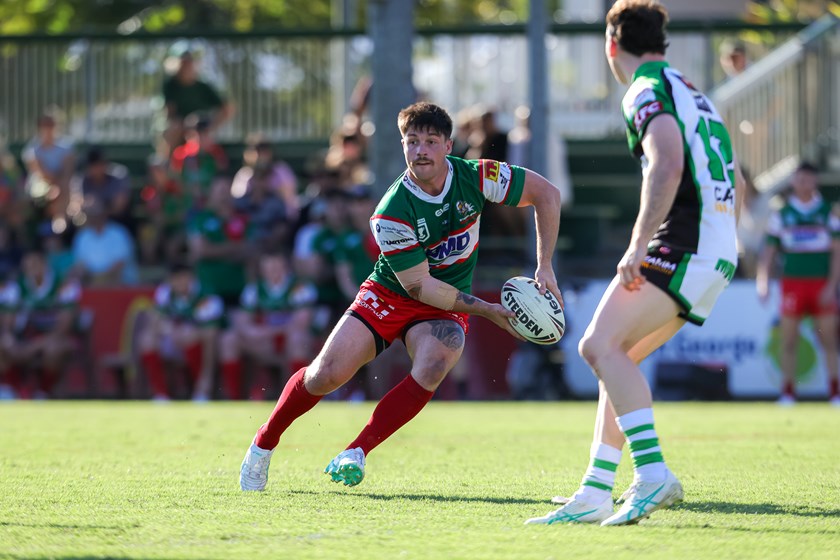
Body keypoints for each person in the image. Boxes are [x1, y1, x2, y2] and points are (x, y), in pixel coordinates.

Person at [239, 101, 563, 491]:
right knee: (325, 376)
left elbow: (547, 194)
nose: (421, 150)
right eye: (412, 141)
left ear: (448, 145)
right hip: (392, 294)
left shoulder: (478, 176)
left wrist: (544, 266)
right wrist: (489, 310)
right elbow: (420, 287)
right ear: (402, 146)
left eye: (430, 141)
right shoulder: (391, 211)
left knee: (436, 361)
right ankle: (263, 444)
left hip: (443, 302)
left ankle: (355, 452)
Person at [526, 0, 745, 527]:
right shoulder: (689, 88)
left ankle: (652, 474)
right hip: (715, 247)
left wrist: (639, 242)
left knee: (596, 346)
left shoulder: (644, 88)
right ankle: (596, 489)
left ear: (610, 45)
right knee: (616, 357)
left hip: (684, 242)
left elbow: (668, 161)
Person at [756, 162, 840, 406]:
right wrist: (763, 280)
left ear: (815, 181)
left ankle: (834, 392)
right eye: (800, 179)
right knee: (788, 339)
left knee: (828, 340)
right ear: (793, 181)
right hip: (792, 284)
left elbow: (837, 252)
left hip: (820, 284)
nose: (804, 184)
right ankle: (788, 392)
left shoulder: (827, 212)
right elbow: (769, 251)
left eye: (809, 179)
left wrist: (832, 285)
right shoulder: (782, 214)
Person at [218, 252, 317, 400]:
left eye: (277, 267)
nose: (273, 272)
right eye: (269, 268)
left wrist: (264, 332)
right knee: (229, 339)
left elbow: (301, 324)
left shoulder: (300, 288)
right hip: (265, 342)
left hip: (290, 341)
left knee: (297, 339)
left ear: (286, 267)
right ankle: (234, 398)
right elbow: (244, 326)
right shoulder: (254, 290)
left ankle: (299, 397)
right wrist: (267, 333)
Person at [138, 264, 224, 402]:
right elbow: (154, 319)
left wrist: (188, 332)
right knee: (147, 339)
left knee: (193, 335)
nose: (179, 283)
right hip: (173, 338)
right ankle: (161, 395)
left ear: (191, 278)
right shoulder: (165, 292)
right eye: (175, 280)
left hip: (201, 344)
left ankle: (201, 390)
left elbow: (211, 331)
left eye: (183, 278)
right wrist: (169, 329)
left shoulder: (206, 295)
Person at [162, 51, 233, 152]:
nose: (186, 68)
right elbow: (170, 111)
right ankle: (170, 163)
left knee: (201, 132)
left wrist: (212, 127)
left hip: (203, 123)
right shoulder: (170, 85)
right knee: (173, 129)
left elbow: (227, 108)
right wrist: (184, 125)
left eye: (189, 64)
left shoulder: (203, 87)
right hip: (181, 124)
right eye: (184, 64)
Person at [72, 198, 139, 286]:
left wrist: (100, 279)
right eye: (91, 213)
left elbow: (120, 264)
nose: (94, 216)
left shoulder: (119, 233)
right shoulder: (82, 237)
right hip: (91, 283)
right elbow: (80, 265)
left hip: (120, 284)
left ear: (104, 213)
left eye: (96, 212)